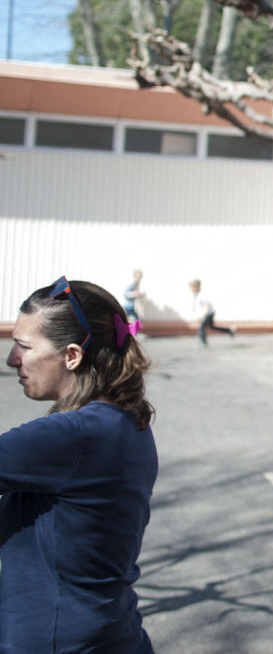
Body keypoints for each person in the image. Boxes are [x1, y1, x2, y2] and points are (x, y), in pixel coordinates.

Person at [2, 276, 158, 652]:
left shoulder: (72, 436)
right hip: (112, 635)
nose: (11, 359)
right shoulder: (126, 418)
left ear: (72, 355)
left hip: (57, 642)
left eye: (24, 346)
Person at [188, 278, 235, 345]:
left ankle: (203, 343)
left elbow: (207, 308)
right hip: (209, 313)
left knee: (201, 327)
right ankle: (229, 330)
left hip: (209, 314)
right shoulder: (197, 295)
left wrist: (201, 318)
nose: (192, 289)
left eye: (193, 287)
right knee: (212, 327)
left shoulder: (202, 296)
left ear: (197, 287)